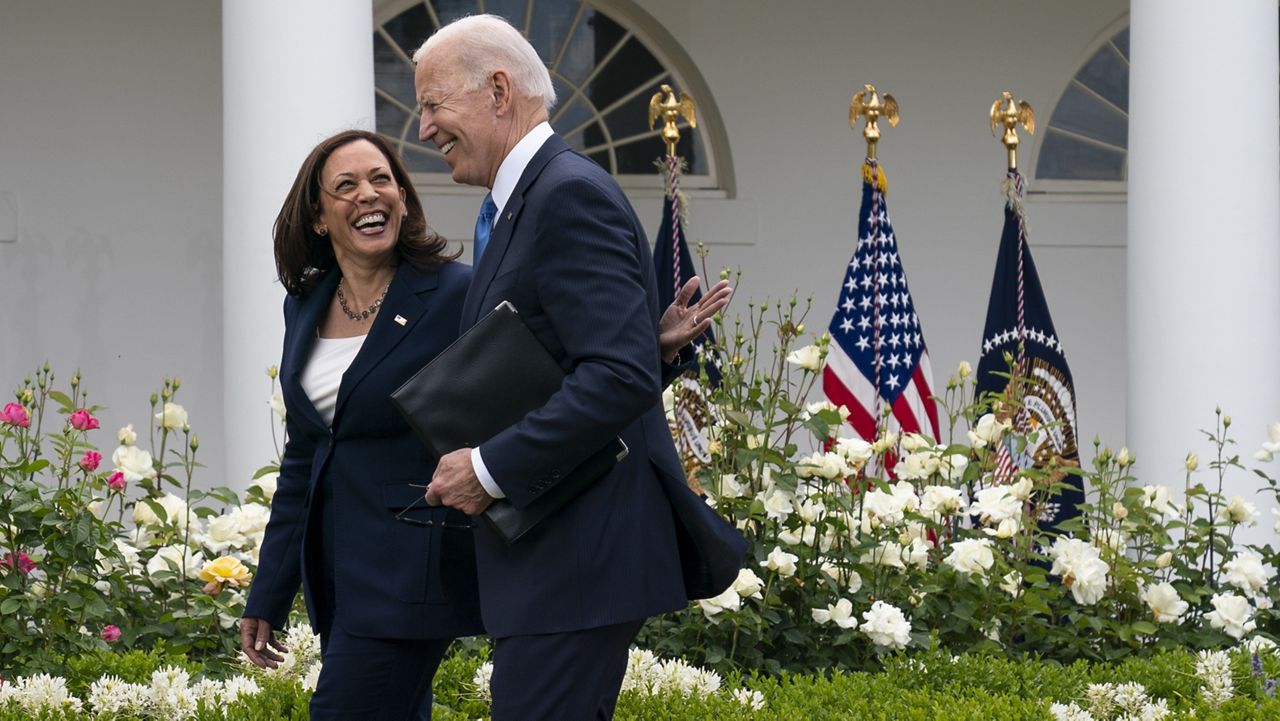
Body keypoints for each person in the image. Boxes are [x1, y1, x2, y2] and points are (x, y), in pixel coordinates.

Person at [238, 129, 731, 720]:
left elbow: (542, 382)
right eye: (346, 186)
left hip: (414, 569)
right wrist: (269, 590)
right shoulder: (306, 304)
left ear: (402, 196)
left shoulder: (454, 293)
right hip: (341, 577)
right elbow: (304, 458)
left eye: (382, 180)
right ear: (318, 216)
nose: (370, 194)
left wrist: (650, 352)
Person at [413, 15, 746, 721]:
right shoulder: (521, 204)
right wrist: (644, 352)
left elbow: (614, 377)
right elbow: (595, 363)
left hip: (576, 561)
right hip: (553, 561)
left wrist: (487, 469)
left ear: (498, 91)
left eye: (433, 105)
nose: (422, 128)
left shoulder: (566, 195)